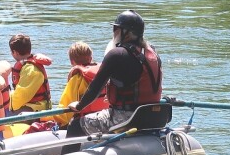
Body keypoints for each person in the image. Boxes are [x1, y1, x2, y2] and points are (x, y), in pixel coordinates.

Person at [66, 10, 162, 139]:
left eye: (116, 28)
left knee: (75, 126)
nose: (114, 32)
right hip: (152, 115)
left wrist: (79, 106)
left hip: (127, 118)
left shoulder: (117, 54)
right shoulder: (152, 53)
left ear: (126, 32)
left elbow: (95, 88)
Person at [43, 41, 108, 128]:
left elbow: (63, 116)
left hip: (87, 122)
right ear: (91, 58)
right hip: (106, 118)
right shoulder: (104, 74)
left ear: (72, 62)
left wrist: (41, 118)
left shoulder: (77, 79)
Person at [8, 34, 53, 113]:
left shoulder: (30, 70)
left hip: (35, 110)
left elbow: (20, 97)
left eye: (11, 52)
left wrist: (4, 101)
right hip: (33, 106)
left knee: (0, 111)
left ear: (15, 52)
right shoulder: (27, 66)